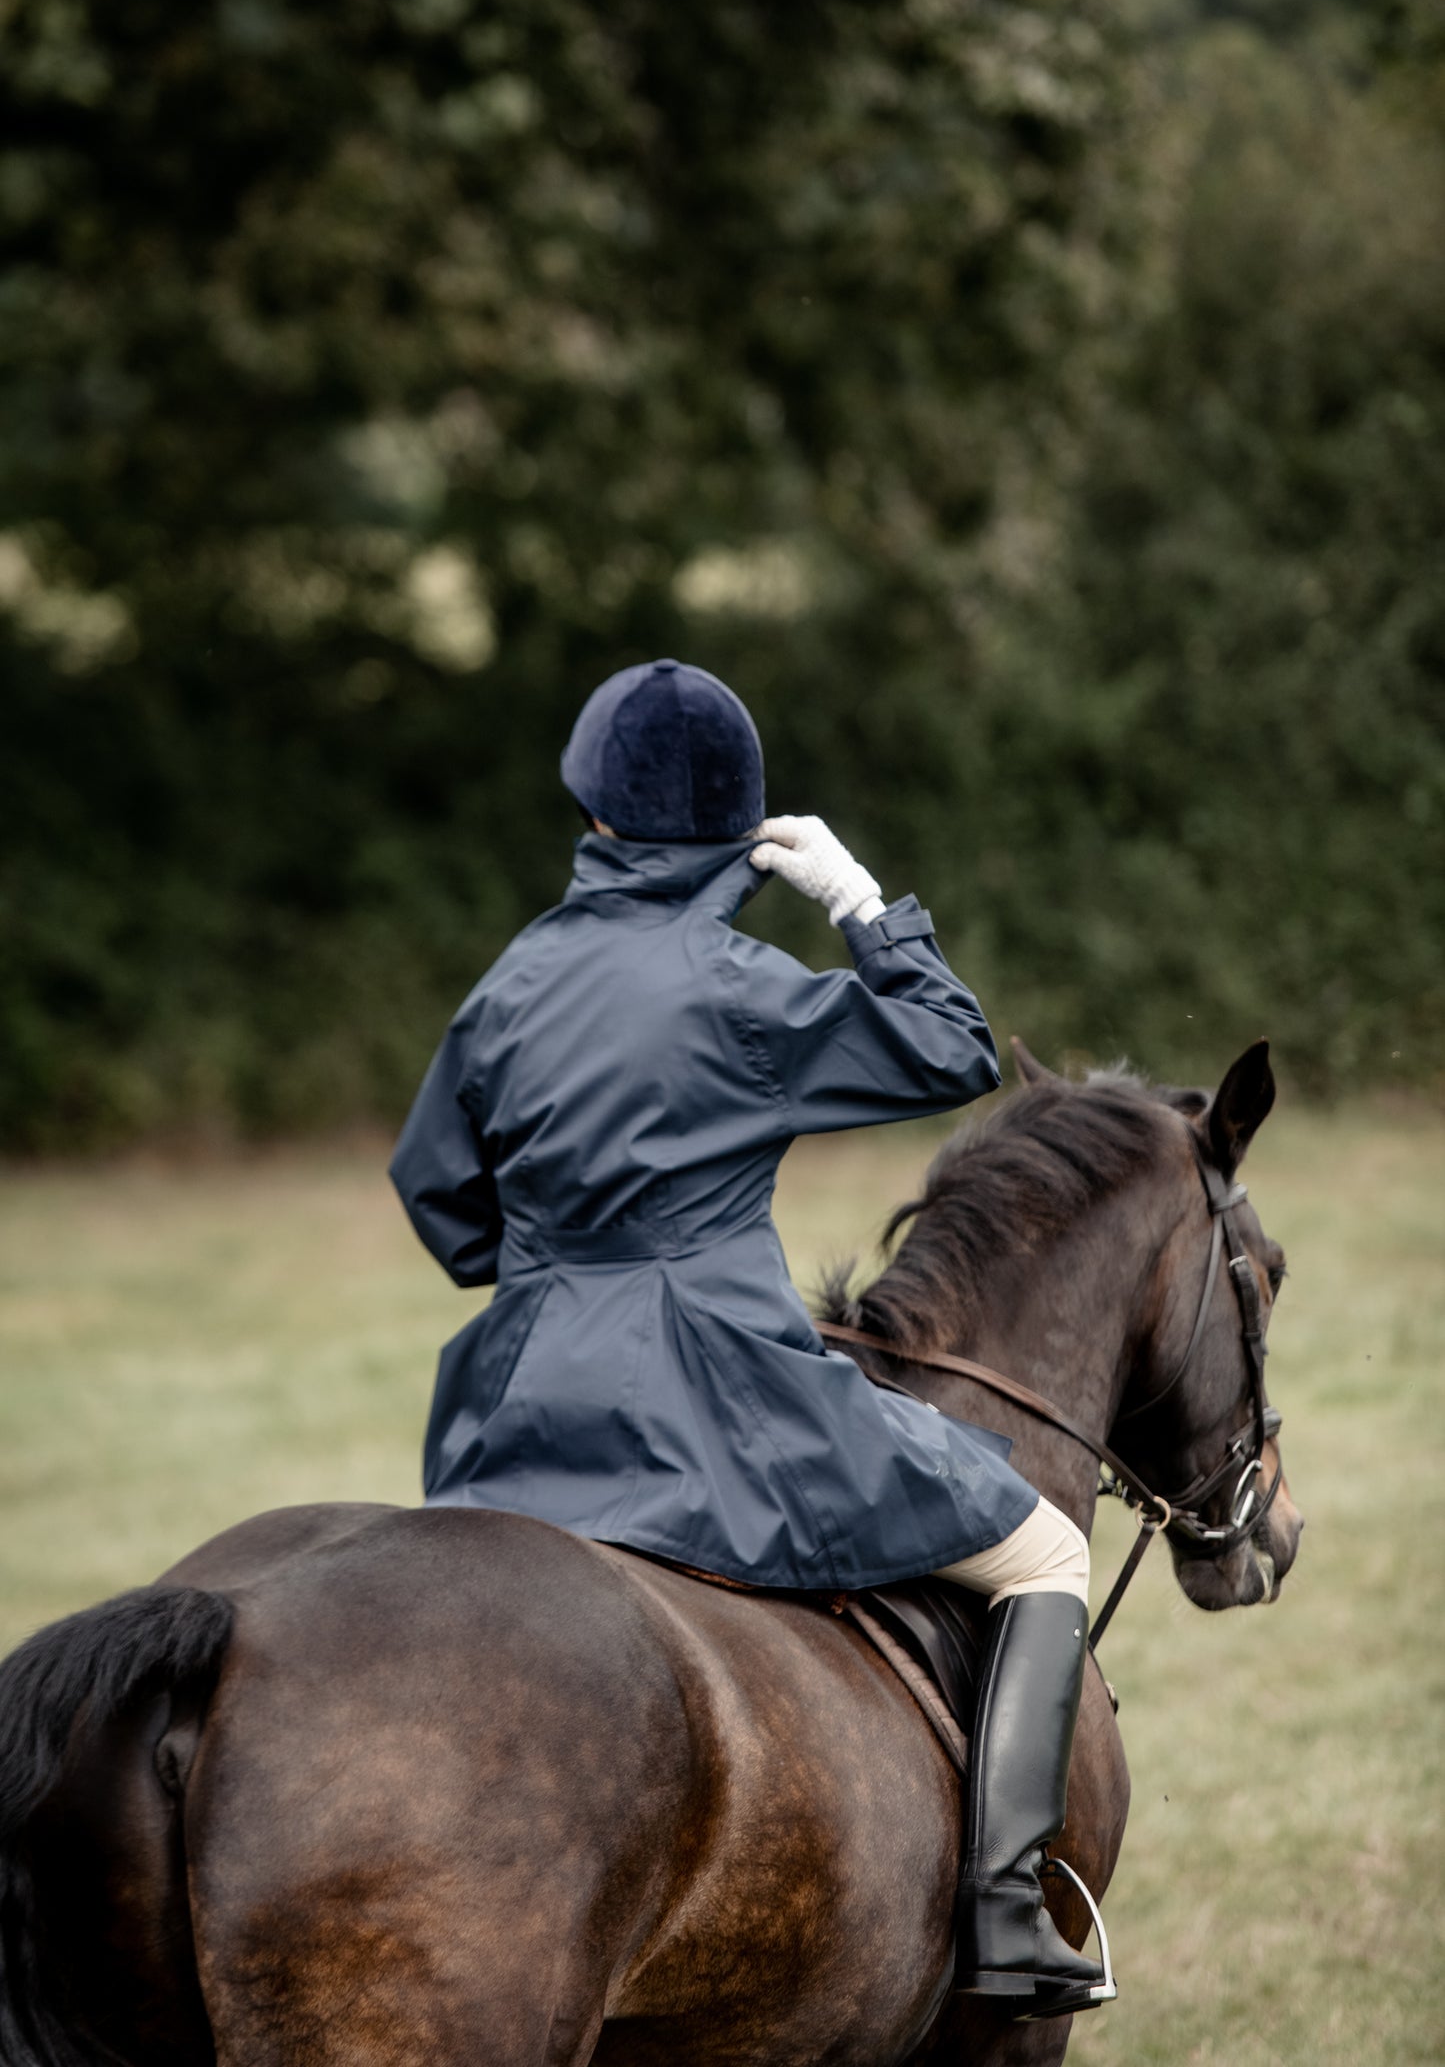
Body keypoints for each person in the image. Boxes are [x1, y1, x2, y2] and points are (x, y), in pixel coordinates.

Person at [390, 657, 1105, 2019]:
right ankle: (1012, 1917)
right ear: (746, 831)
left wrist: (553, 1266)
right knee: (1045, 1551)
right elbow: (949, 1051)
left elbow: (438, 1198)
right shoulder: (737, 986)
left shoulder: (512, 979)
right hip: (718, 1398)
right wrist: (859, 903)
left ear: (590, 811)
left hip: (518, 1404)